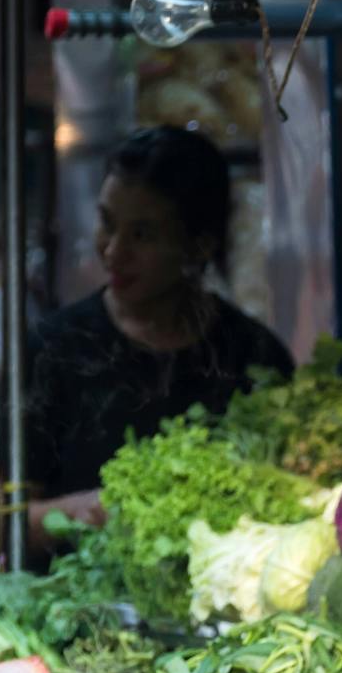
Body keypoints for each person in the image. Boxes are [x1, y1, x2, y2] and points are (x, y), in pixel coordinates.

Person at [20, 126, 292, 545]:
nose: (113, 250)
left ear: (199, 246)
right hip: (73, 605)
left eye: (142, 235)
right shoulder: (53, 351)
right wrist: (79, 511)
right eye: (107, 224)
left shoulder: (254, 357)